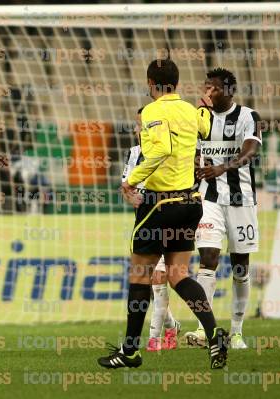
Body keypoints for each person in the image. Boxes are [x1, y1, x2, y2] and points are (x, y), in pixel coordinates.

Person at [97, 59, 229, 370]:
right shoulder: (187, 109)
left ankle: (129, 352)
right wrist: (204, 108)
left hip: (160, 203)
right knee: (179, 274)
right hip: (190, 201)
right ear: (177, 82)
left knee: (140, 276)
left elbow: (160, 150)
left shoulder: (153, 110)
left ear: (150, 83)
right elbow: (207, 128)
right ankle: (213, 335)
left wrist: (131, 180)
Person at [185, 68, 261, 350]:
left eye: (214, 88)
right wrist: (193, 166)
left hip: (241, 200)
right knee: (208, 257)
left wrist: (221, 167)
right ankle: (206, 329)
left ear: (229, 90)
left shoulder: (247, 116)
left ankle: (237, 331)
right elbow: (192, 152)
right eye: (206, 88)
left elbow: (250, 151)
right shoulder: (198, 119)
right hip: (209, 199)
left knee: (240, 266)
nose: (208, 93)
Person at [121, 108, 181, 353]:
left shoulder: (168, 153)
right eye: (137, 126)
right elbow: (125, 186)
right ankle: (171, 325)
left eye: (142, 125)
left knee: (160, 281)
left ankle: (154, 339)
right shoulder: (134, 153)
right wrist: (131, 197)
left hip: (169, 221)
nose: (138, 130)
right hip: (144, 224)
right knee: (154, 283)